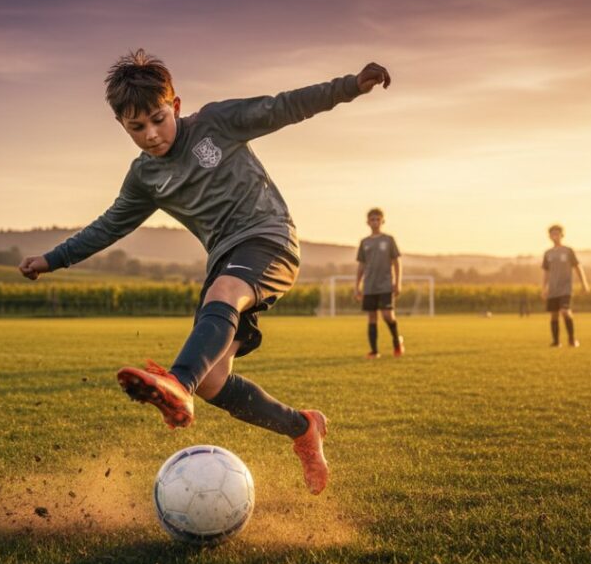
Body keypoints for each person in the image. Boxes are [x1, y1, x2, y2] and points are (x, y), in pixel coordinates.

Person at [20, 49, 391, 495]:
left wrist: (350, 85)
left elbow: (285, 105)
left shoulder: (216, 123)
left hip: (268, 239)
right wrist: (52, 259)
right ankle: (302, 427)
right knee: (214, 381)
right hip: (224, 262)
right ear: (122, 126)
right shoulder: (144, 178)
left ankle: (177, 383)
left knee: (224, 294)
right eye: (136, 128)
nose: (151, 135)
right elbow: (109, 225)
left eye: (158, 119)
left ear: (175, 106)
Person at [354, 208, 403, 358]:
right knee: (372, 317)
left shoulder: (388, 240)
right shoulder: (365, 242)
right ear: (367, 222)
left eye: (377, 219)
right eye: (372, 219)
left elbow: (396, 262)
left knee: (387, 315)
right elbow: (361, 265)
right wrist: (357, 285)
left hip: (385, 284)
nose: (375, 222)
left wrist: (398, 282)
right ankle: (374, 351)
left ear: (382, 221)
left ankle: (397, 341)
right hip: (369, 286)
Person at [542, 224, 589, 347]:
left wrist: (584, 283)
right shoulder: (548, 253)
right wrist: (544, 288)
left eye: (557, 233)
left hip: (565, 288)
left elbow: (578, 267)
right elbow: (546, 272)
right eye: (552, 234)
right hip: (553, 289)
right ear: (550, 236)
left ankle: (572, 340)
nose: (555, 236)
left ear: (562, 235)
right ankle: (556, 342)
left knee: (565, 311)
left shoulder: (568, 251)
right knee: (553, 315)